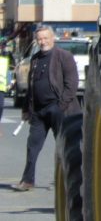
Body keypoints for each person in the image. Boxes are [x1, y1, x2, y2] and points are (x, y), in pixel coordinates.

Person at [13, 26, 79, 192]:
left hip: (58, 109)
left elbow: (71, 84)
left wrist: (61, 106)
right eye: (39, 39)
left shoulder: (64, 56)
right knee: (32, 146)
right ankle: (27, 181)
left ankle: (68, 180)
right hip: (39, 111)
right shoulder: (35, 59)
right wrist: (27, 109)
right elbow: (31, 85)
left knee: (63, 146)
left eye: (45, 38)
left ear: (52, 38)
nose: (42, 42)